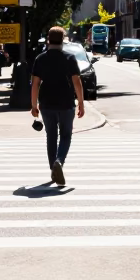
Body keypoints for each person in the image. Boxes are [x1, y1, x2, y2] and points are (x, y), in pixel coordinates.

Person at [31, 26, 85, 186]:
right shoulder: (69, 58)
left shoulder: (40, 59)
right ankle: (59, 162)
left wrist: (34, 105)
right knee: (66, 135)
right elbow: (77, 81)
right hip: (66, 102)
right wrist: (81, 102)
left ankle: (53, 168)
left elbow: (35, 84)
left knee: (51, 136)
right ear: (63, 40)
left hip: (46, 103)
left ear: (48, 39)